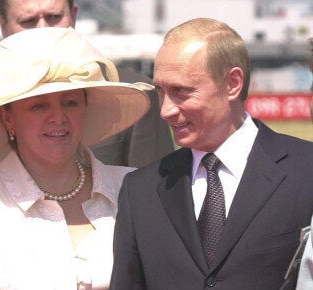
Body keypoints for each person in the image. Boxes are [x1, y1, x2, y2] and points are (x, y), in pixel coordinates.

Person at [0, 0, 174, 239]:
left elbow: (159, 212)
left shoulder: (131, 94)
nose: (43, 30)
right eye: (28, 21)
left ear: (73, 16)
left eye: (53, 17)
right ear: (2, 25)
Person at [0, 27, 153, 289]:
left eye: (70, 102)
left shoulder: (129, 187)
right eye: (38, 106)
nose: (58, 118)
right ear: (8, 118)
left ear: (86, 108)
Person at [110, 17, 313, 289]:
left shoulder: (305, 171)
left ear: (232, 84)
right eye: (161, 91)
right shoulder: (140, 191)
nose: (165, 110)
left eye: (181, 91)